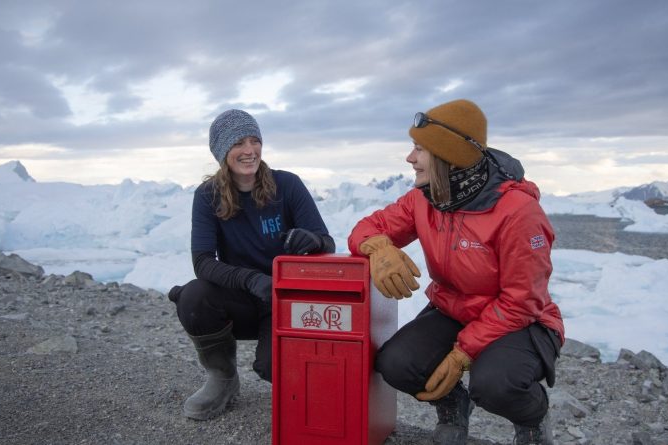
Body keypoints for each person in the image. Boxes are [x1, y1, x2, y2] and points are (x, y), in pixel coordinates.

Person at [347, 99, 564, 445]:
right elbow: (366, 228)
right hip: (454, 309)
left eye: (420, 149)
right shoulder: (428, 197)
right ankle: (453, 406)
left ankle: (533, 419)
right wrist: (378, 247)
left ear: (448, 155)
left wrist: (463, 354)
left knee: (495, 384)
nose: (410, 158)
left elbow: (522, 301)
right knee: (396, 363)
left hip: (520, 320)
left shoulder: (519, 212)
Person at [168, 109, 335, 421]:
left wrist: (312, 240)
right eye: (238, 143)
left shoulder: (287, 185)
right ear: (222, 152)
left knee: (272, 367)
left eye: (254, 140)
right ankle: (223, 379)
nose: (249, 150)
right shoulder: (208, 196)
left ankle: (318, 401)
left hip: (287, 302)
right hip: (244, 299)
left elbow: (327, 241)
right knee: (193, 297)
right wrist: (249, 280)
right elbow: (202, 262)